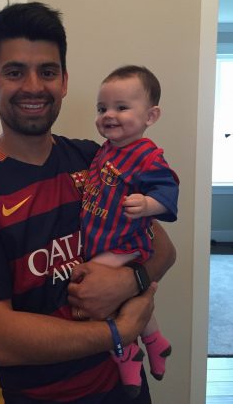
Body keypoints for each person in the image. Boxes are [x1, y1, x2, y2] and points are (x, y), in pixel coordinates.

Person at [0, 2, 176, 404]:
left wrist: (128, 281)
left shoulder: (96, 158)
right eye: (15, 72)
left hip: (125, 389)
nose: (34, 86)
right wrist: (116, 331)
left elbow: (164, 249)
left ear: (64, 81)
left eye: (47, 72)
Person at [81, 65, 179, 398]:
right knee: (132, 296)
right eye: (102, 108)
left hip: (125, 244)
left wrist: (150, 205)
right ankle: (155, 340)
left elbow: (168, 190)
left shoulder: (146, 155)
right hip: (103, 240)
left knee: (94, 286)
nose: (109, 115)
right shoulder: (105, 151)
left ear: (150, 115)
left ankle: (126, 354)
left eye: (121, 107)